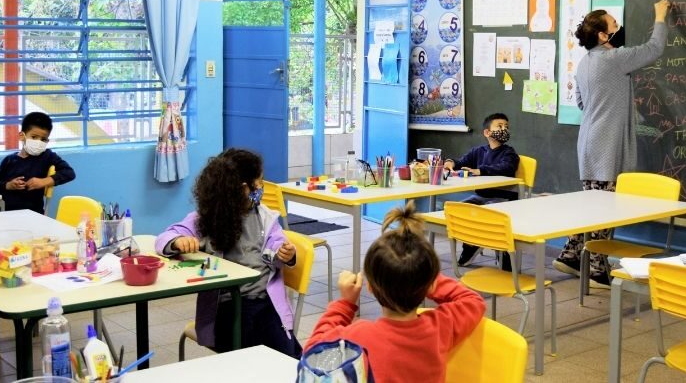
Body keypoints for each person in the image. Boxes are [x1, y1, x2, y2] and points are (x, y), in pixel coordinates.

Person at [552, 0, 671, 288]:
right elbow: (653, 49)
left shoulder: (583, 64)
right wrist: (660, 16)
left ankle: (570, 254)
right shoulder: (615, 59)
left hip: (589, 139)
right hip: (608, 141)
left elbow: (581, 102)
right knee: (605, 207)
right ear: (604, 36)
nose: (619, 26)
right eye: (614, 24)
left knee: (592, 204)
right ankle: (596, 267)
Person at [304, 201, 485, 383]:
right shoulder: (440, 328)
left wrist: (345, 304)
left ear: (370, 287)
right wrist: (424, 274)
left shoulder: (358, 336)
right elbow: (473, 301)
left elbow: (311, 352)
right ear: (431, 285)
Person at [154, 148, 301, 357]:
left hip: (265, 301)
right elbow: (164, 238)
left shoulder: (264, 216)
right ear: (243, 189)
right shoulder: (205, 219)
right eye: (258, 183)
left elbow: (278, 242)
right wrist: (178, 241)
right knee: (258, 353)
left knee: (288, 356)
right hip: (227, 307)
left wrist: (286, 252)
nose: (261, 188)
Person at [443, 113, 520, 268]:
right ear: (487, 132)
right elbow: (460, 163)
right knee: (460, 210)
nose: (504, 129)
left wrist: (480, 170)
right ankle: (471, 245)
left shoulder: (509, 153)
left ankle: (502, 251)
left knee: (486, 214)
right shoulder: (478, 151)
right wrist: (449, 162)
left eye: (506, 127)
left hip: (503, 199)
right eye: (499, 126)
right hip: (481, 197)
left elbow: (506, 167)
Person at [0, 111, 76, 213]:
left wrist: (44, 181)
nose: (38, 142)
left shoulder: (47, 156)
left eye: (43, 139)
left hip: (33, 214)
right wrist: (8, 185)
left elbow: (69, 172)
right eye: (34, 137)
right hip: (5, 213)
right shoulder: (9, 160)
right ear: (22, 136)